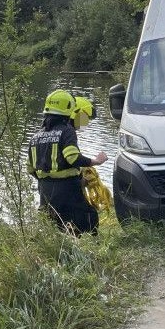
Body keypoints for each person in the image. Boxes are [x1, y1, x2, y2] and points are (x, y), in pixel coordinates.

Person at [28, 89, 107, 235]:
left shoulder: (36, 136)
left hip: (44, 190)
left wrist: (51, 180)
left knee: (54, 226)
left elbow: (31, 168)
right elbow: (72, 158)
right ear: (69, 110)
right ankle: (87, 253)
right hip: (67, 190)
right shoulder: (67, 131)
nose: (85, 123)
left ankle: (59, 253)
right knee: (88, 220)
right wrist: (96, 161)